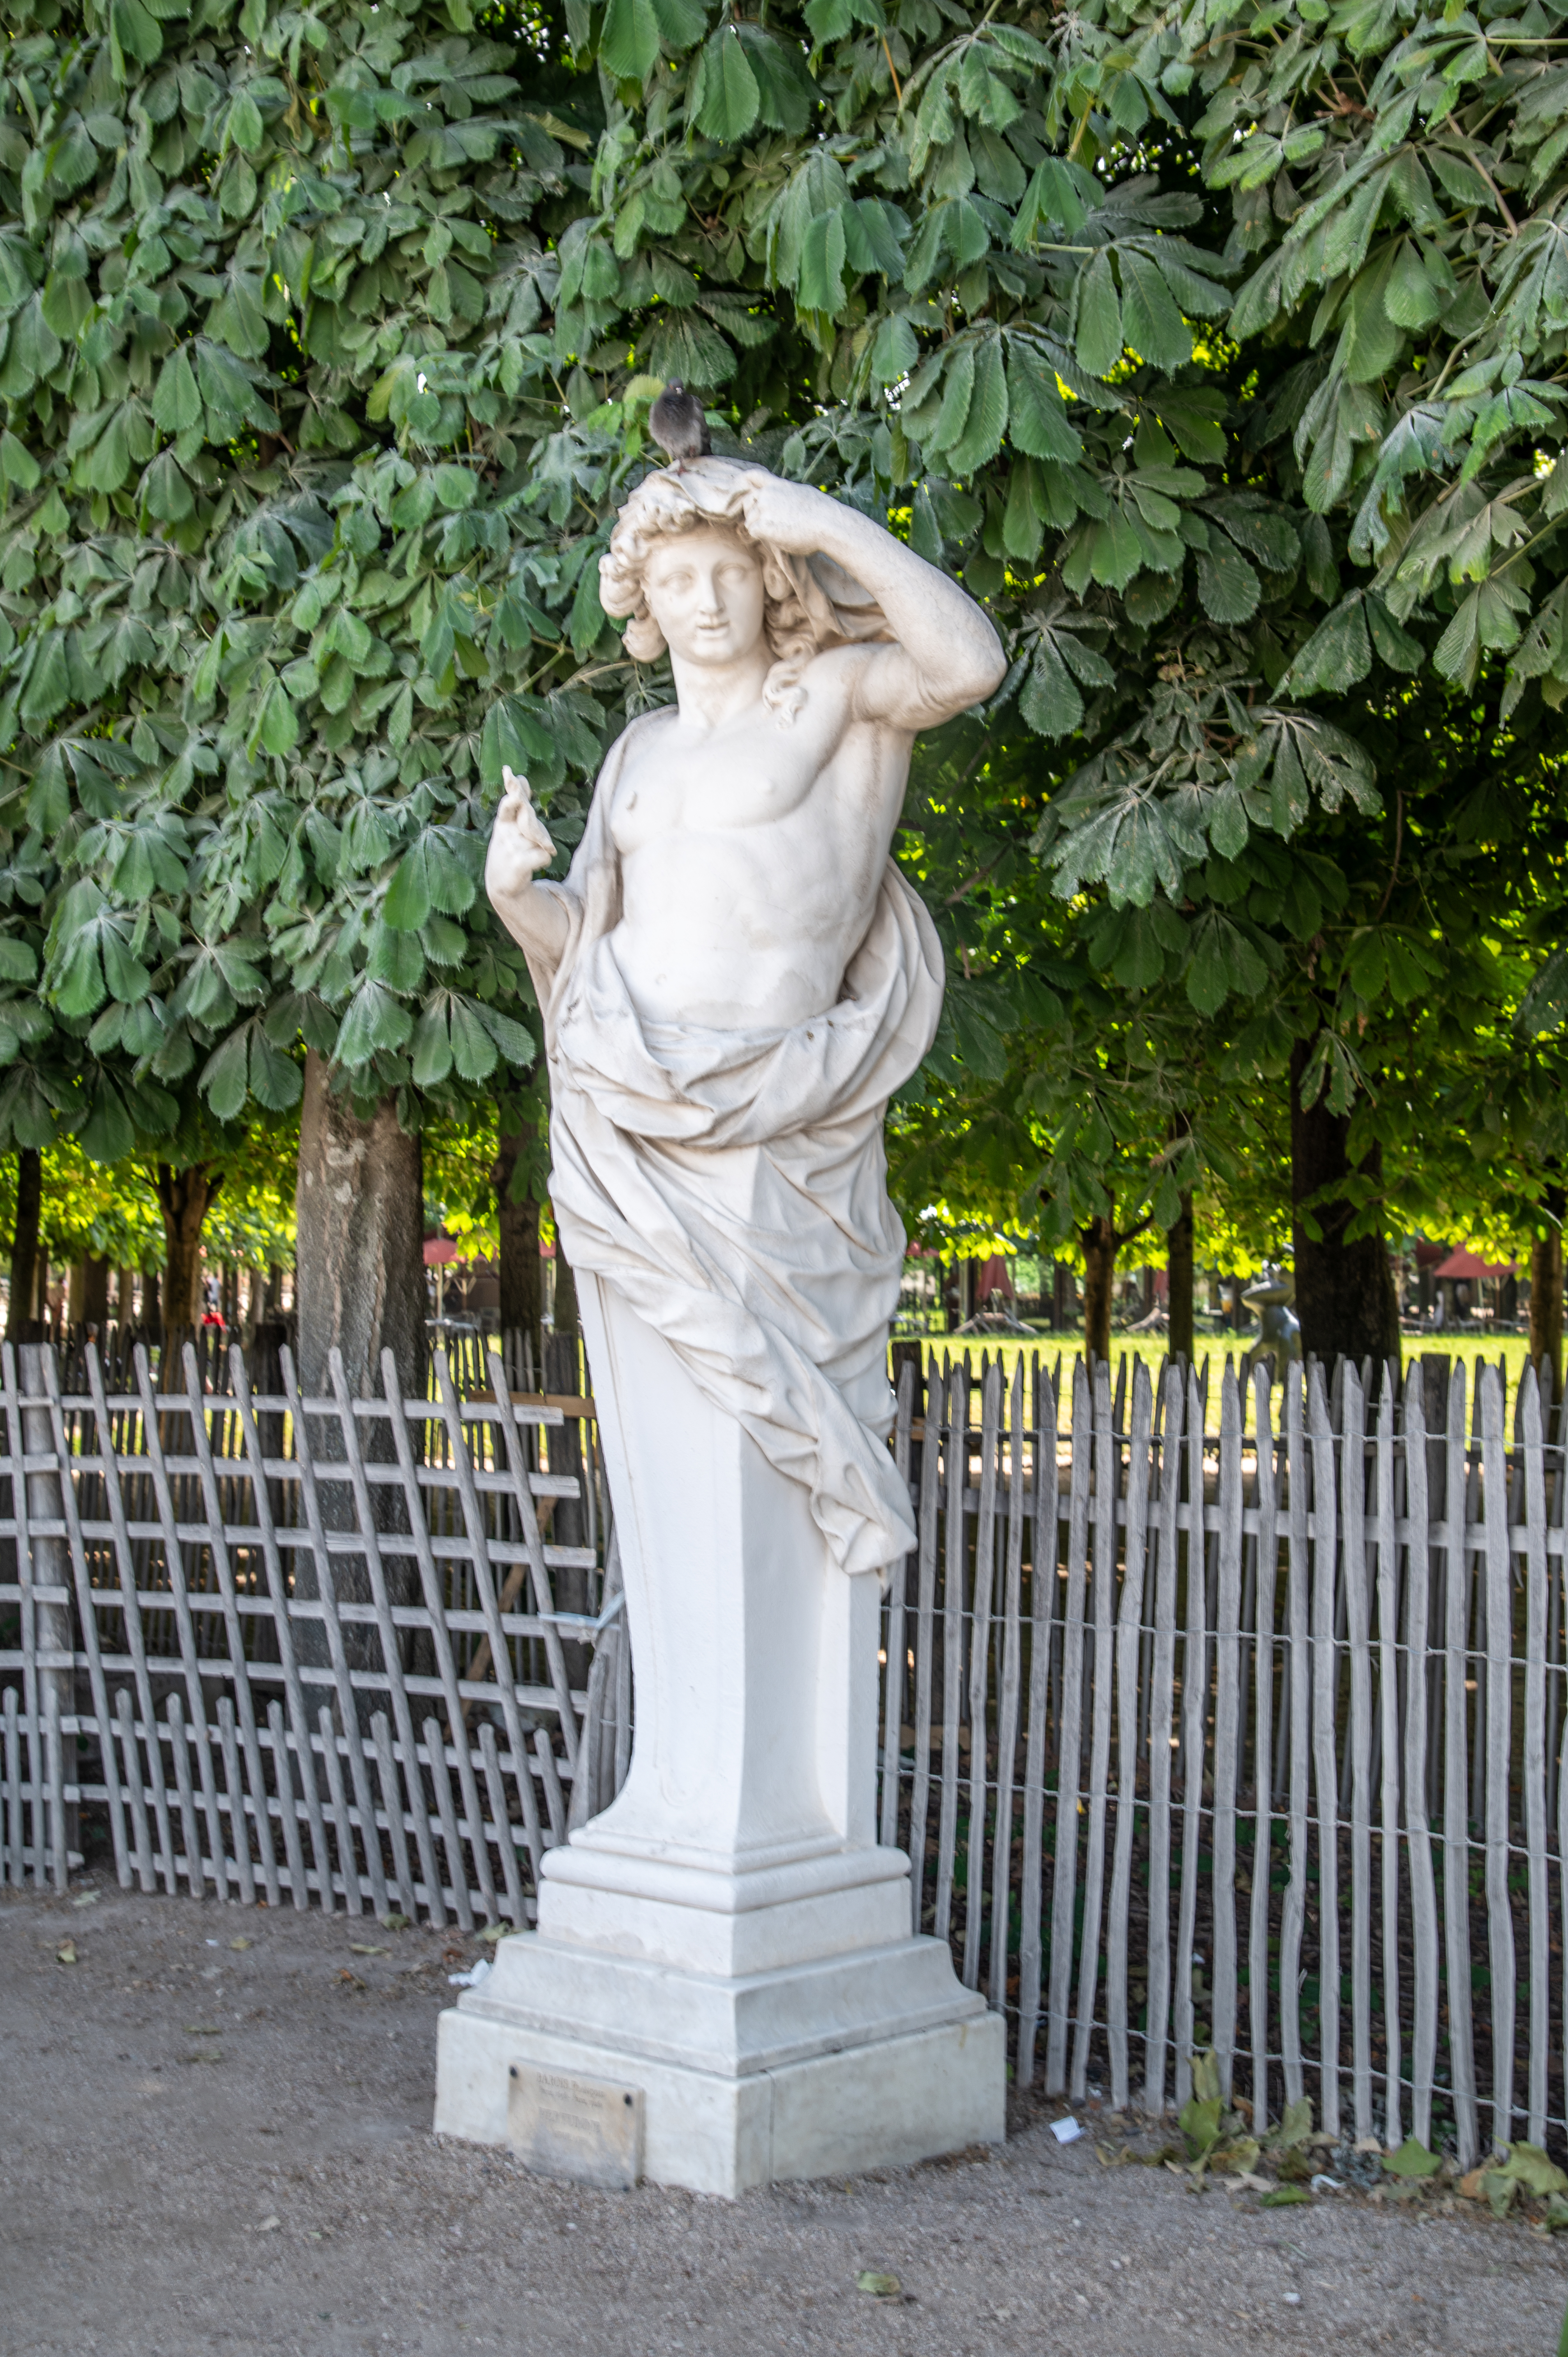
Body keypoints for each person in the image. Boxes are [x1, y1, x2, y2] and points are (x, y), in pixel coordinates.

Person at [485, 457, 1005, 1578]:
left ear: (771, 579)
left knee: (765, 1498)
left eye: (729, 572)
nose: (707, 602)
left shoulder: (835, 697)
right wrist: (518, 899)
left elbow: (969, 663)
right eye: (677, 581)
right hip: (629, 1116)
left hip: (777, 1129)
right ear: (645, 602)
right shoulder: (636, 754)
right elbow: (589, 945)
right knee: (675, 1472)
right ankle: (693, 1755)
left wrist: (832, 523)